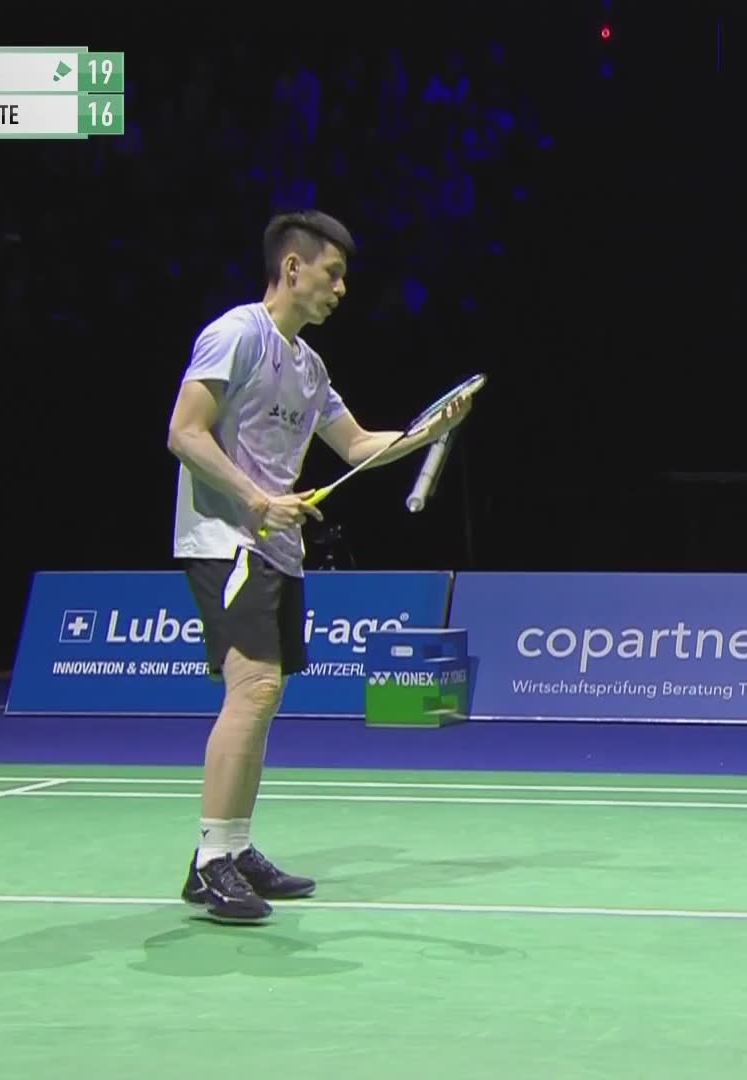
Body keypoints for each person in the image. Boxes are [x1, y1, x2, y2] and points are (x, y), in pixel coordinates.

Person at [165, 210, 470, 923]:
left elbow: (357, 445)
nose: (341, 289)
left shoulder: (310, 367)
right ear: (292, 267)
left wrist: (427, 432)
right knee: (254, 686)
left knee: (265, 698)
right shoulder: (237, 334)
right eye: (333, 274)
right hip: (225, 536)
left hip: (277, 545)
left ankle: (235, 847)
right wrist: (256, 499)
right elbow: (184, 432)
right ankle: (210, 862)